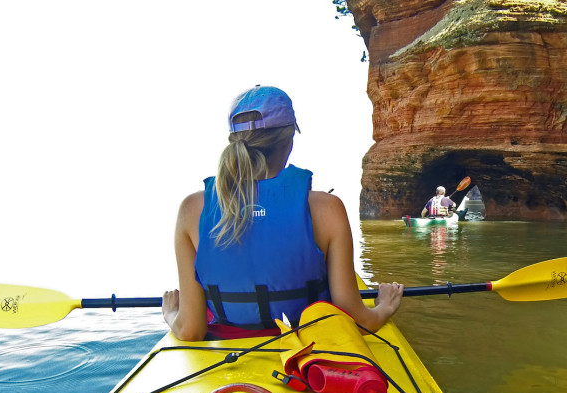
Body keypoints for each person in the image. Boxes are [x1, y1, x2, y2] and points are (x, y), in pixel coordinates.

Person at [162, 85, 403, 341]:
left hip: (230, 351)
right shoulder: (328, 208)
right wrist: (384, 307)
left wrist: (171, 314)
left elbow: (191, 330)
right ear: (289, 139)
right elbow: (356, 319)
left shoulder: (191, 209)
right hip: (307, 346)